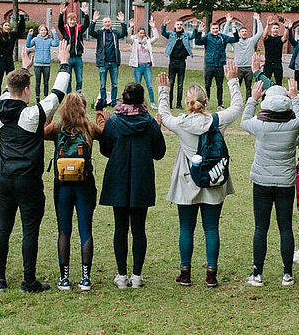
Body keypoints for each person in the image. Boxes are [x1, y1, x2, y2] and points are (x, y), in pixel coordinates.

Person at [0, 45, 73, 293]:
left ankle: (0, 279)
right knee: (29, 231)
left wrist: (23, 69)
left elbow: (8, 93)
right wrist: (64, 63)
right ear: (27, 90)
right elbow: (57, 93)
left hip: (4, 178)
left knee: (2, 230)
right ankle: (28, 281)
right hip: (28, 181)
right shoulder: (32, 114)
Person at [154, 61, 243, 288]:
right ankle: (211, 274)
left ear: (187, 102)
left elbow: (163, 115)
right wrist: (232, 81)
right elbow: (237, 107)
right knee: (211, 228)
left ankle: (185, 273)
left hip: (187, 179)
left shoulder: (180, 123)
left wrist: (164, 91)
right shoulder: (217, 120)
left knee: (186, 228)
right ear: (206, 101)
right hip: (214, 177)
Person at [98, 82, 167, 289]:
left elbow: (105, 148)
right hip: (141, 178)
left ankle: (122, 275)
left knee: (120, 227)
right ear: (142, 100)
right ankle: (136, 275)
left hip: (118, 177)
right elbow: (159, 152)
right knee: (138, 228)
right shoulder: (149, 123)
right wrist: (158, 129)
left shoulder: (113, 122)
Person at [241, 78, 299, 287]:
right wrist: (295, 99)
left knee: (261, 227)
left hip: (261, 180)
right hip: (285, 181)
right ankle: (287, 273)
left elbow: (244, 120)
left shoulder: (259, 125)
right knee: (285, 227)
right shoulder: (294, 124)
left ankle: (257, 273)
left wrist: (252, 98)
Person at [42, 92, 104, 291]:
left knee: (64, 230)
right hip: (85, 183)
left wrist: (50, 113)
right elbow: (104, 133)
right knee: (85, 229)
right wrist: (101, 114)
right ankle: (85, 278)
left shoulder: (58, 128)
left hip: (62, 185)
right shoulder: (88, 128)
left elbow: (41, 131)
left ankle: (64, 278)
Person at [194, 15, 240, 107]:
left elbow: (235, 39)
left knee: (220, 86)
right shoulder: (207, 37)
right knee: (207, 85)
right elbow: (197, 42)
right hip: (209, 65)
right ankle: (206, 103)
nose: (215, 30)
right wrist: (199, 31)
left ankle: (220, 104)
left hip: (219, 65)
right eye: (213, 28)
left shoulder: (222, 37)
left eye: (217, 28)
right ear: (210, 29)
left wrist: (234, 28)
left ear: (219, 29)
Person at [89, 11, 128, 105]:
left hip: (114, 62)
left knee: (114, 84)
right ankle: (103, 100)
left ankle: (113, 101)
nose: (107, 23)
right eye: (105, 22)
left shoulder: (115, 32)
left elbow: (124, 33)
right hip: (103, 62)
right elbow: (91, 32)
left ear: (111, 23)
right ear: (103, 23)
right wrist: (93, 21)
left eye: (108, 22)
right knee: (102, 85)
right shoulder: (100, 33)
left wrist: (122, 22)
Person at [161, 17, 196, 109]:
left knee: (180, 84)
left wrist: (195, 28)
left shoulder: (185, 35)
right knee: (171, 83)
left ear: (183, 26)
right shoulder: (171, 34)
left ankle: (178, 104)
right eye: (178, 25)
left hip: (182, 62)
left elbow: (192, 36)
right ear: (175, 26)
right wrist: (164, 25)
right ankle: (170, 103)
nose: (179, 26)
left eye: (181, 25)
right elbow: (163, 33)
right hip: (172, 62)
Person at [57, 2, 91, 92]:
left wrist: (86, 14)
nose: (72, 22)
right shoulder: (64, 29)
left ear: (76, 20)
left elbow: (86, 25)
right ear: (67, 20)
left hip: (77, 58)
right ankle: (69, 97)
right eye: (70, 20)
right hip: (67, 58)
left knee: (79, 79)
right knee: (68, 79)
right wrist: (61, 14)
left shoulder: (79, 29)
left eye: (74, 20)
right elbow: (59, 25)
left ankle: (78, 96)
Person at [0, 14, 28, 96]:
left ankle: (10, 95)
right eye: (5, 25)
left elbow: (21, 30)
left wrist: (21, 17)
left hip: (9, 60)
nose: (7, 27)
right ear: (1, 26)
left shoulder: (12, 35)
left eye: (8, 25)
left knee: (11, 79)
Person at [231, 13, 264, 98]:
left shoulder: (251, 41)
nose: (244, 33)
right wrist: (229, 25)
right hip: (238, 67)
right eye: (242, 31)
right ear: (239, 33)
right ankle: (236, 102)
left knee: (248, 87)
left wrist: (258, 20)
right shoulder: (235, 42)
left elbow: (260, 32)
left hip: (249, 67)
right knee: (237, 87)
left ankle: (248, 102)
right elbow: (224, 36)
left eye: (245, 31)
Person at [127, 20, 160, 104]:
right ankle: (138, 102)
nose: (142, 35)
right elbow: (128, 38)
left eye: (143, 33)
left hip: (146, 66)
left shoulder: (147, 42)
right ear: (137, 33)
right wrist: (130, 27)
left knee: (150, 86)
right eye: (140, 33)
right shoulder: (134, 41)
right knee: (137, 86)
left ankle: (152, 102)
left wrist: (153, 27)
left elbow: (156, 37)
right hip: (137, 66)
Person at [26, 25, 60, 101]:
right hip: (37, 64)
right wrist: (29, 35)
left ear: (47, 31)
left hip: (46, 64)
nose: (43, 32)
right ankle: (37, 98)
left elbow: (56, 44)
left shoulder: (49, 40)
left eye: (44, 30)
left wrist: (54, 32)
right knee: (37, 82)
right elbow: (28, 45)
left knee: (46, 82)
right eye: (41, 30)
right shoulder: (35, 39)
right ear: (39, 31)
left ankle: (45, 97)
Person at [262, 18, 287, 86]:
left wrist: (286, 28)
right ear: (271, 29)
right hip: (268, 63)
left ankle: (279, 96)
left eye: (277, 28)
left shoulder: (280, 39)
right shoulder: (268, 38)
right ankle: (265, 96)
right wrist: (267, 25)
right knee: (266, 82)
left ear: (279, 30)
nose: (275, 29)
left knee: (279, 83)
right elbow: (264, 36)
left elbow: (285, 38)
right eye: (274, 28)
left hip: (278, 63)